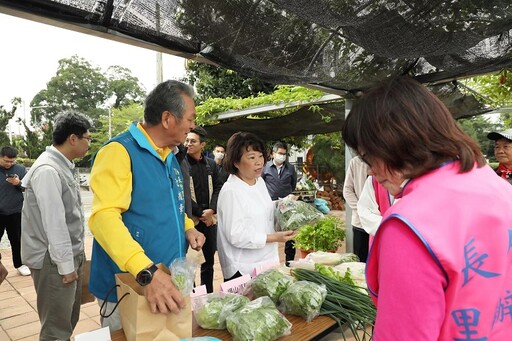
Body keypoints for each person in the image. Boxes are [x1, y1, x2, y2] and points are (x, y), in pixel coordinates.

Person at [342, 76, 512, 340]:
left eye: (369, 156)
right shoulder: (499, 188)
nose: (373, 171)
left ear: (395, 141)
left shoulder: (409, 224)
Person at [88, 80, 205, 332]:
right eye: (190, 118)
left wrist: (187, 228)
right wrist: (147, 272)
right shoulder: (119, 152)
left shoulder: (169, 156)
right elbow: (103, 218)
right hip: (131, 287)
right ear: (167, 118)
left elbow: (175, 205)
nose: (193, 126)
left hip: (166, 282)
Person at [20, 112, 93, 341]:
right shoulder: (48, 170)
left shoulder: (63, 165)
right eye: (87, 138)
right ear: (73, 138)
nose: (89, 144)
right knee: (55, 329)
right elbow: (54, 223)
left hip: (66, 256)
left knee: (68, 319)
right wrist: (65, 266)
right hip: (53, 260)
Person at [217, 132, 295, 281]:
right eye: (252, 157)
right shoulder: (231, 191)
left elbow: (262, 208)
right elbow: (236, 235)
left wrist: (283, 204)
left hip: (265, 262)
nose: (259, 162)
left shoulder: (258, 181)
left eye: (260, 156)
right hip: (243, 268)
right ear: (235, 162)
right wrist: (273, 237)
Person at [184, 126, 222, 293]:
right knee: (190, 263)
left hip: (209, 222)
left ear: (202, 145)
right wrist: (200, 213)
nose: (188, 144)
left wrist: (212, 210)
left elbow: (219, 187)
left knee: (208, 263)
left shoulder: (211, 165)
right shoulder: (181, 164)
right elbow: (183, 193)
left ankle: (208, 297)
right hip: (191, 222)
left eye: (193, 141)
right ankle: (191, 298)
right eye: (187, 140)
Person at [261, 141, 297, 266]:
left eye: (284, 154)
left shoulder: (290, 168)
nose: (282, 156)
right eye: (279, 153)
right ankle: (270, 263)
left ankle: (289, 262)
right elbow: (260, 184)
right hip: (269, 205)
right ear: (273, 154)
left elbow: (293, 184)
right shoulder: (265, 167)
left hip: (286, 206)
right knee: (270, 232)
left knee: (290, 235)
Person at [0, 146, 30, 276]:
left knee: (17, 239)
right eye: (6, 161)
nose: (9, 164)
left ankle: (19, 264)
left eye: (12, 161)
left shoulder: (20, 169)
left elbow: (27, 187)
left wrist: (18, 183)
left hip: (15, 211)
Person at [342, 155, 369, 262]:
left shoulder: (385, 159)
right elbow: (347, 190)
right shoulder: (355, 162)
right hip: (360, 223)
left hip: (380, 222)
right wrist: (361, 210)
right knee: (360, 261)